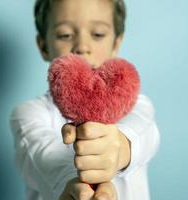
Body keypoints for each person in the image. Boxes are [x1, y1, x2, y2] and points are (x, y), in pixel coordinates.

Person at [10, 0, 160, 199]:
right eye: (65, 35)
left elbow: (144, 134)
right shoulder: (29, 114)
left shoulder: (137, 105)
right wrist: (74, 184)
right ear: (43, 46)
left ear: (116, 43)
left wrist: (120, 149)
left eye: (98, 34)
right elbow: (41, 159)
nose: (82, 47)